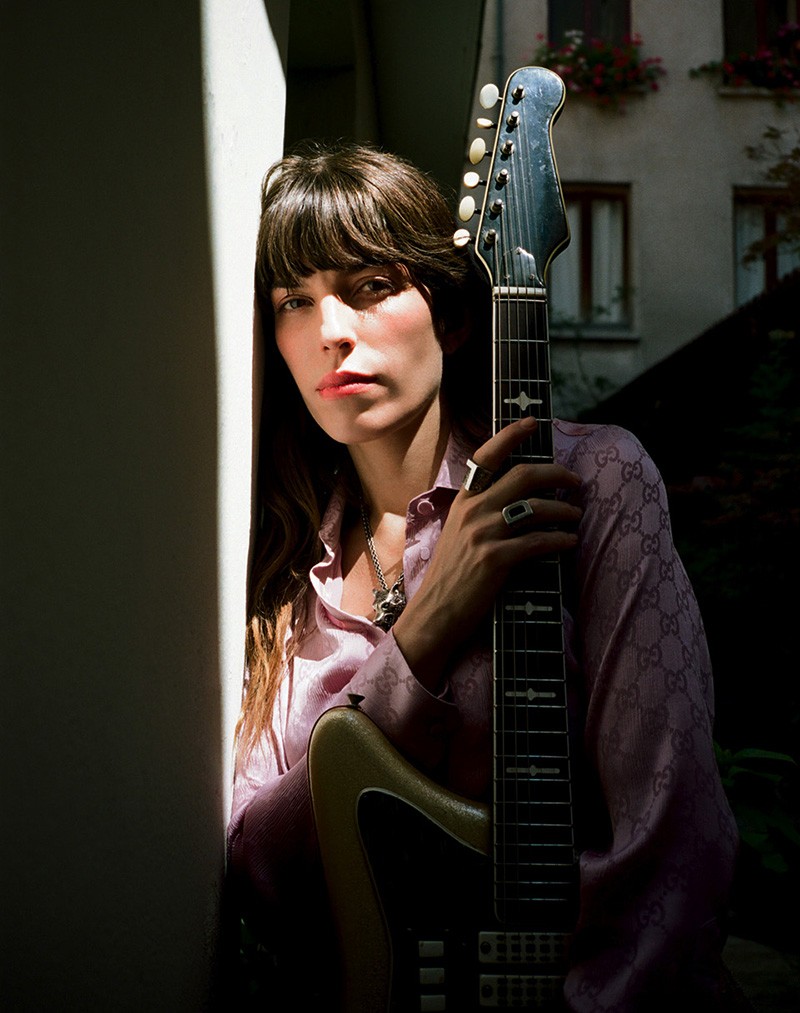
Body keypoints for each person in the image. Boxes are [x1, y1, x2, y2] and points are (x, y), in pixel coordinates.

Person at [227, 141, 738, 1011]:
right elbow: (261, 870)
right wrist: (423, 634)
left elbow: (673, 841)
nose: (330, 332)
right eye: (294, 301)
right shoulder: (279, 570)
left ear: (454, 318)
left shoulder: (591, 482)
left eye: (369, 286)